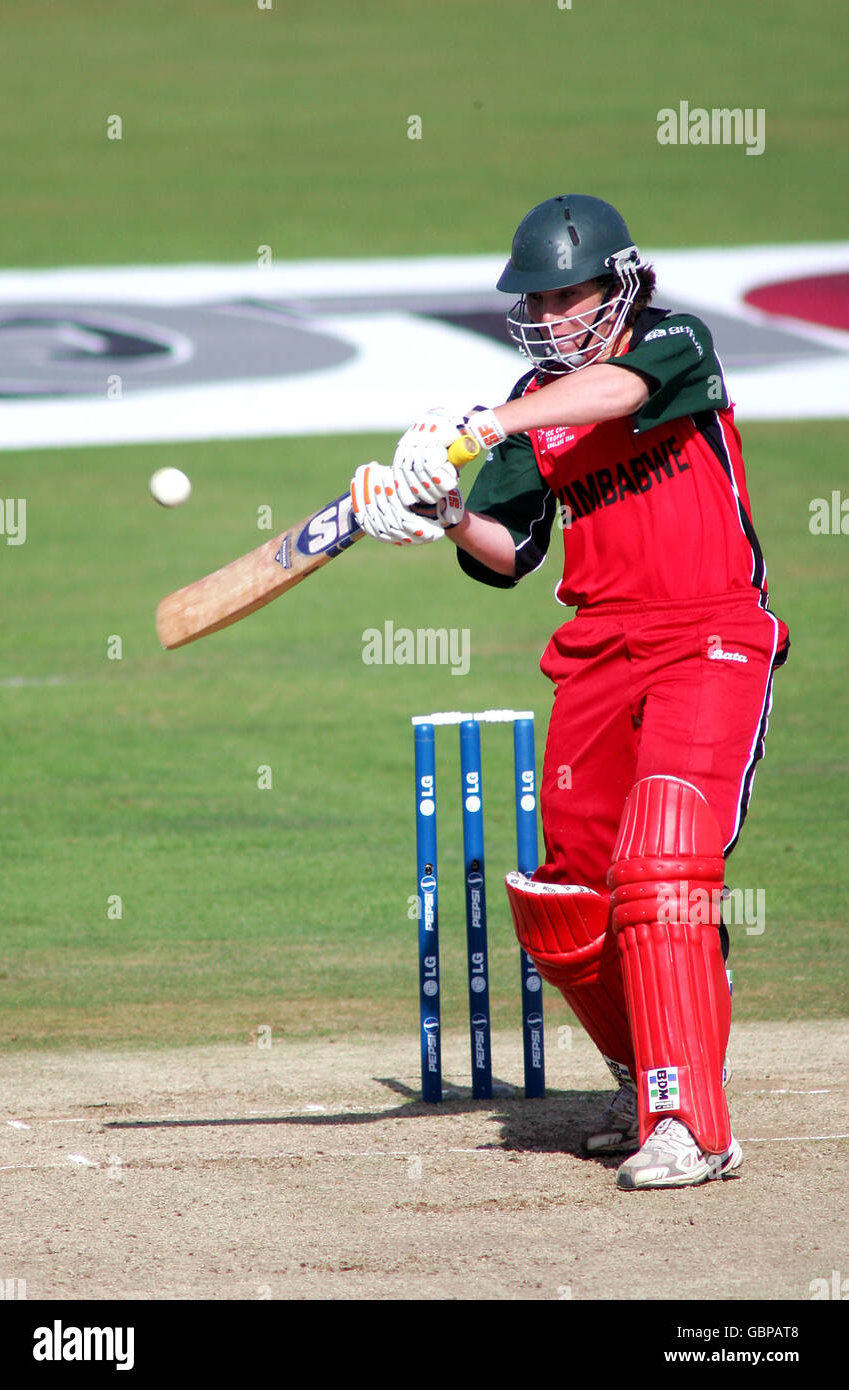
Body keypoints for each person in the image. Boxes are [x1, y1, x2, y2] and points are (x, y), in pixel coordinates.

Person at [349, 194, 789, 1190]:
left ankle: (691, 1121)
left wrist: (484, 420)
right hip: (593, 658)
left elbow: (616, 391)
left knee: (661, 859)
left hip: (708, 635)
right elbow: (509, 554)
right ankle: (645, 1082)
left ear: (619, 282)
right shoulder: (527, 408)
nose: (552, 316)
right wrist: (447, 510)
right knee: (563, 899)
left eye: (569, 294)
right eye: (536, 301)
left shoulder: (671, 342)